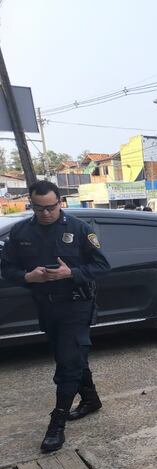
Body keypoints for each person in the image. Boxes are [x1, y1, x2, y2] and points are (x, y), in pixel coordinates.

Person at [0, 181, 111, 452]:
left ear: (60, 202)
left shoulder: (79, 229)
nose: (46, 213)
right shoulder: (21, 232)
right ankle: (90, 399)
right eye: (39, 208)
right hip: (46, 307)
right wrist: (28, 277)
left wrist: (70, 273)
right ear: (32, 205)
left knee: (67, 363)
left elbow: (102, 265)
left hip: (76, 306)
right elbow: (7, 268)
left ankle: (56, 424)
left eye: (50, 207)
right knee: (70, 356)